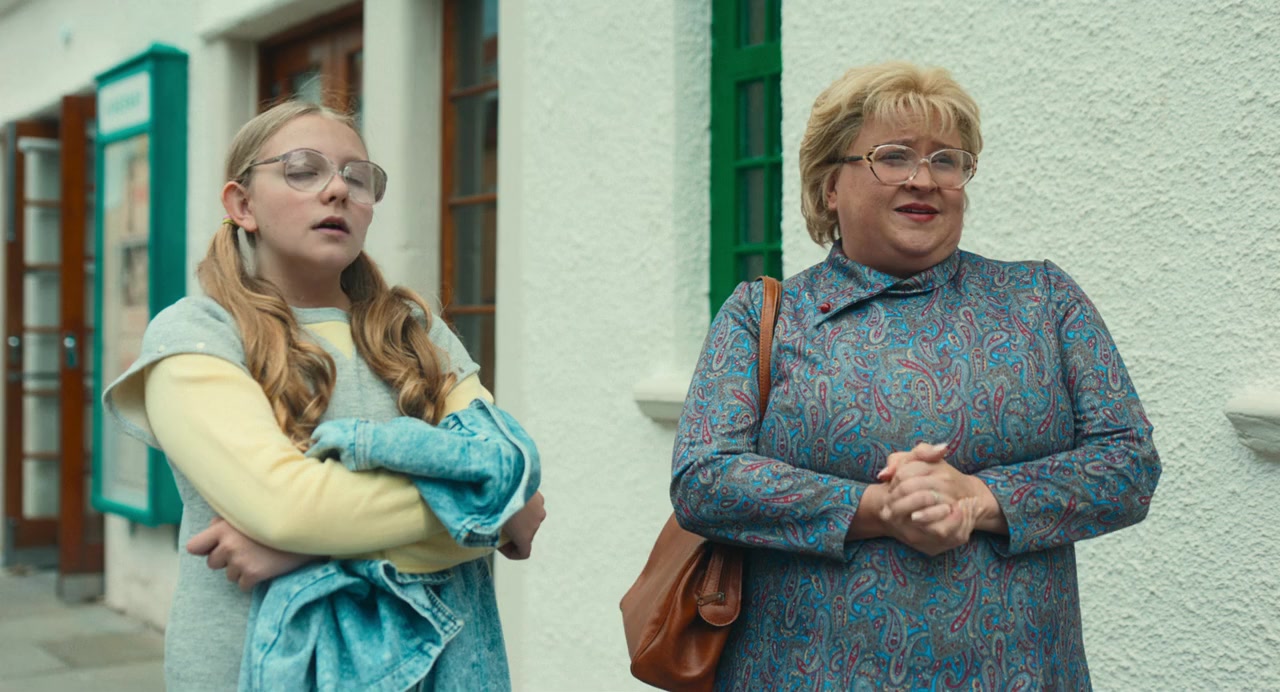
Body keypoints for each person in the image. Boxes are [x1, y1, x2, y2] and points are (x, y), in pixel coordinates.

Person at [671, 62, 1160, 689]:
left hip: (1021, 675)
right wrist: (878, 508)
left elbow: (1128, 463)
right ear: (829, 185)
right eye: (893, 156)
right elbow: (703, 478)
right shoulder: (764, 316)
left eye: (946, 160)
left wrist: (978, 499)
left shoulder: (1042, 299)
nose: (923, 179)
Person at [103, 100, 545, 690]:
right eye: (303, 170)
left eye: (358, 178)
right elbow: (290, 508)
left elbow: (516, 483)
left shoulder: (415, 331)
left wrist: (305, 550)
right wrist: (480, 509)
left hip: (439, 669)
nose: (337, 189)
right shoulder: (197, 335)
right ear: (242, 204)